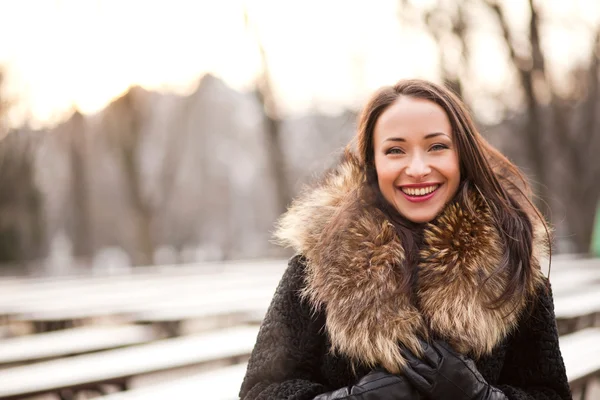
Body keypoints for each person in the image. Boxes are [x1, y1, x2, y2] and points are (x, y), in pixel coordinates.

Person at [239, 79, 572, 400]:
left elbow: (550, 392)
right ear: (373, 163)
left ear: (462, 156)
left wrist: (482, 396)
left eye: (437, 147)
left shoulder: (512, 264)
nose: (417, 168)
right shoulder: (318, 267)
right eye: (395, 150)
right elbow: (259, 391)